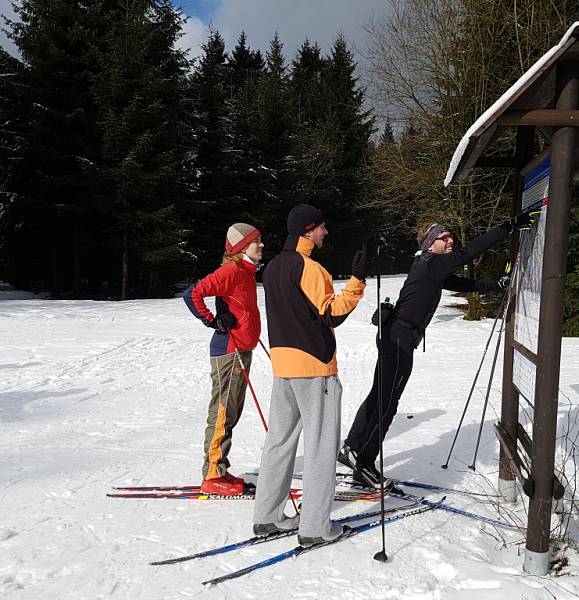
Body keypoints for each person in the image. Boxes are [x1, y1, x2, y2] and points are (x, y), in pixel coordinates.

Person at [339, 211, 534, 488]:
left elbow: (463, 284)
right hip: (399, 340)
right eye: (444, 237)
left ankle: (354, 446)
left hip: (395, 335)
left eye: (450, 235)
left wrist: (495, 285)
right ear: (430, 244)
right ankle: (364, 465)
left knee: (379, 395)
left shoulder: (431, 265)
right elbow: (472, 251)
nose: (451, 240)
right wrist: (508, 227)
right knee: (387, 403)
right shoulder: (433, 263)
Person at [253, 204, 367, 545]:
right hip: (314, 367)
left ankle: (267, 516)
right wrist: (358, 281)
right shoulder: (309, 267)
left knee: (279, 441)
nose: (325, 233)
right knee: (320, 445)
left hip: (283, 365)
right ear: (307, 229)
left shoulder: (272, 267)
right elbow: (331, 313)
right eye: (321, 228)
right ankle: (316, 527)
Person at [183, 223, 264, 496]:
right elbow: (192, 294)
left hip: (240, 349)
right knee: (223, 411)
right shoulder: (231, 270)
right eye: (256, 241)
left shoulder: (246, 271)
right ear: (241, 247)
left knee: (231, 411)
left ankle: (219, 467)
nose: (262, 245)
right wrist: (213, 320)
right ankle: (212, 474)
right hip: (229, 351)